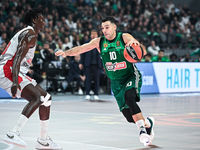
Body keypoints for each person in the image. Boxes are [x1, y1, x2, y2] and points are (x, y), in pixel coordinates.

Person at [55, 16, 155, 146]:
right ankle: (148, 123)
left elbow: (141, 49)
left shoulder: (123, 37)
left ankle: (142, 132)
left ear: (114, 27)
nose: (104, 30)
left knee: (129, 98)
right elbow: (82, 48)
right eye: (102, 28)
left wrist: (134, 43)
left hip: (130, 75)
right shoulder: (99, 42)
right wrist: (66, 53)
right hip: (115, 81)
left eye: (107, 27)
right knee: (129, 117)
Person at [0, 8, 62, 149]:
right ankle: (13, 133)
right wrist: (15, 82)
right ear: (34, 20)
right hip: (8, 70)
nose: (44, 22)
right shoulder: (30, 34)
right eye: (41, 19)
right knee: (37, 98)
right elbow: (16, 60)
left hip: (15, 70)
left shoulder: (27, 33)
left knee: (46, 98)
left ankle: (43, 140)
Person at [79, 29, 103, 100]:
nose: (93, 35)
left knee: (96, 80)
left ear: (97, 35)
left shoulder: (100, 43)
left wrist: (104, 64)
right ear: (90, 35)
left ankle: (96, 94)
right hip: (88, 64)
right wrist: (81, 62)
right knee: (88, 79)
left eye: (95, 34)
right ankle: (87, 93)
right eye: (92, 34)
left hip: (97, 64)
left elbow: (103, 54)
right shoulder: (87, 42)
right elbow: (82, 53)